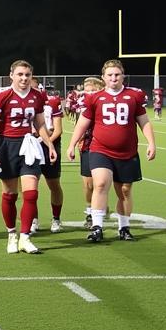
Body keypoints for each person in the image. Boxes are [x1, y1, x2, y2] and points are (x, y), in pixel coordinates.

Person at [68, 59, 155, 243]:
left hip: (127, 151)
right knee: (100, 184)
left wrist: (151, 142)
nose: (114, 78)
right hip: (100, 149)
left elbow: (143, 121)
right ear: (103, 77)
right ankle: (97, 227)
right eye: (110, 75)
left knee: (124, 190)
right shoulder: (94, 97)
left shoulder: (135, 95)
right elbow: (83, 122)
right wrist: (71, 144)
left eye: (117, 74)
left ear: (123, 75)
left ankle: (124, 227)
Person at [0, 59, 57, 255]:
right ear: (11, 76)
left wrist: (49, 145)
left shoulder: (38, 95)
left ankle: (25, 237)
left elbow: (40, 123)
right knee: (9, 194)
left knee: (31, 193)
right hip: (7, 145)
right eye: (20, 74)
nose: (24, 78)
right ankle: (11, 234)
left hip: (29, 145)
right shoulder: (1, 94)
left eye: (27, 75)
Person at [30, 77, 64, 233]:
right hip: (30, 146)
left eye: (34, 88)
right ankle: (33, 219)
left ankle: (56, 218)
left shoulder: (51, 102)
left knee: (54, 184)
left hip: (49, 144)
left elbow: (57, 129)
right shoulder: (22, 102)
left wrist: (47, 142)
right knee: (30, 186)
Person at [76, 77, 102, 227]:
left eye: (93, 90)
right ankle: (90, 209)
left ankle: (96, 208)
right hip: (86, 144)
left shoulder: (105, 102)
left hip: (103, 145)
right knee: (88, 184)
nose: (89, 93)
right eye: (87, 90)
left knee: (100, 183)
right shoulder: (82, 104)